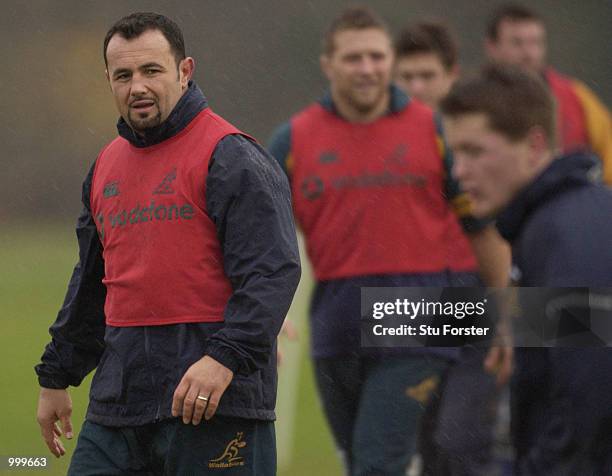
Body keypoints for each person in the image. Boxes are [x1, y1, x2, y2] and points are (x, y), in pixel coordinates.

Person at [34, 12, 300, 475]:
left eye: (151, 71)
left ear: (184, 71)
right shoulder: (104, 167)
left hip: (215, 403)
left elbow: (271, 271)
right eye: (124, 75)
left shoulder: (232, 156)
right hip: (119, 405)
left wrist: (224, 358)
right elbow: (92, 282)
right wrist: (57, 376)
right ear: (109, 81)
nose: (137, 86)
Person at [268, 7, 510, 475]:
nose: (367, 69)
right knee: (363, 459)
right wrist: (259, 317)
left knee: (385, 462)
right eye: (354, 58)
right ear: (328, 64)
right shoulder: (293, 140)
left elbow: (484, 230)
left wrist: (506, 314)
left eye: (377, 57)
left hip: (420, 318)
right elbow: (258, 238)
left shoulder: (436, 130)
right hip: (335, 329)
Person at [441, 63, 612, 475]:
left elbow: (590, 390)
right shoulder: (550, 221)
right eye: (455, 153)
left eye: (475, 151)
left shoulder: (565, 233)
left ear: (534, 146)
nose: (459, 171)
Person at [394, 22, 505, 475]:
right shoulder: (386, 143)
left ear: (452, 75)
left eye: (427, 76)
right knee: (428, 447)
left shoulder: (483, 139)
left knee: (460, 441)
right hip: (405, 303)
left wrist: (510, 314)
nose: (417, 88)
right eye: (407, 77)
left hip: (474, 297)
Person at [485, 3, 612, 185]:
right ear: (492, 46)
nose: (529, 53)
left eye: (536, 42)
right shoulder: (474, 103)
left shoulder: (576, 96)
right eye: (517, 43)